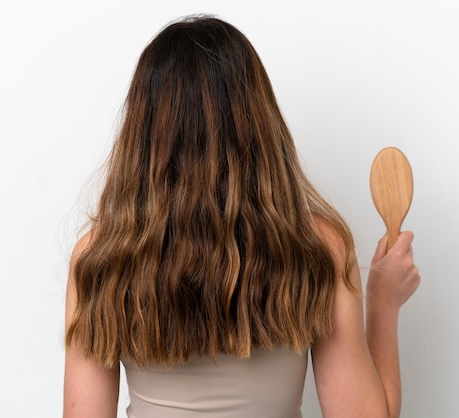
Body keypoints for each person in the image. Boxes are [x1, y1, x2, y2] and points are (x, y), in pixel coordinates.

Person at [63, 15, 420, 418]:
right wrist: (383, 302)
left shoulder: (98, 257)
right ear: (258, 120)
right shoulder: (319, 247)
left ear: (141, 133)